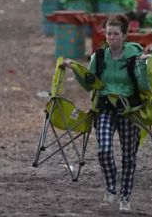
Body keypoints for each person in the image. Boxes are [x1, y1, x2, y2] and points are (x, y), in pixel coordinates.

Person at [62, 14, 147, 214]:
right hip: (105, 108)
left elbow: (143, 85)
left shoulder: (134, 56)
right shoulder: (98, 57)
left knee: (129, 157)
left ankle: (125, 197)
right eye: (108, 33)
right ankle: (110, 188)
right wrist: (75, 68)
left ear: (124, 35)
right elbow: (89, 83)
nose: (111, 38)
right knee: (104, 149)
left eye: (116, 34)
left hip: (129, 110)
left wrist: (143, 65)